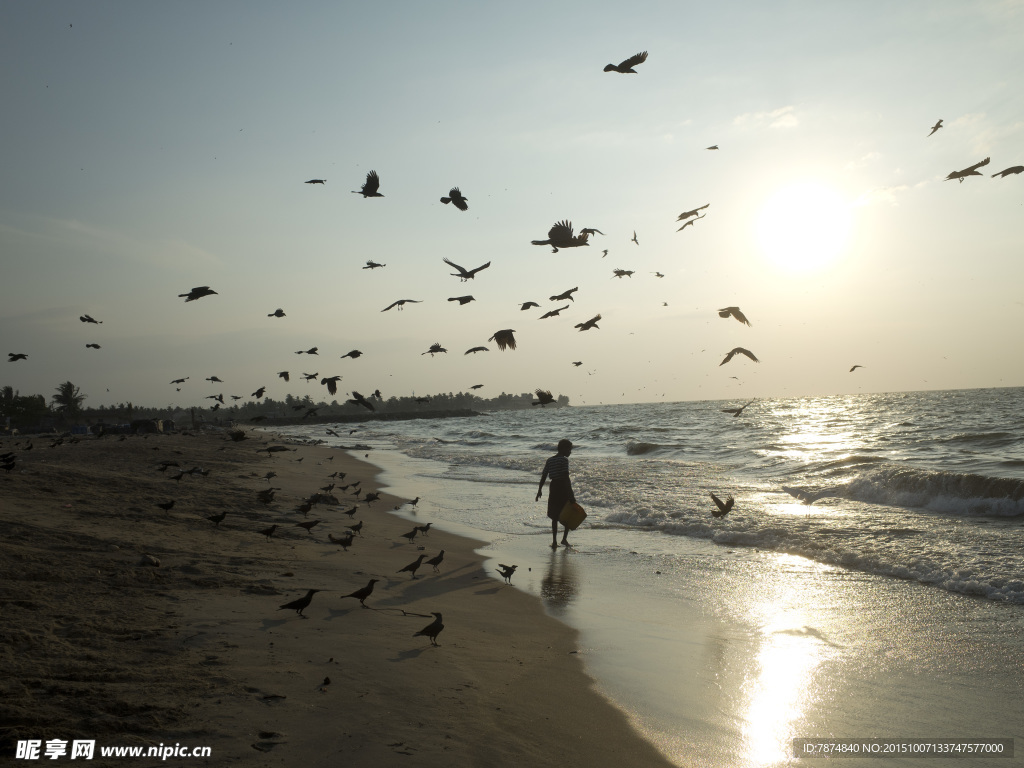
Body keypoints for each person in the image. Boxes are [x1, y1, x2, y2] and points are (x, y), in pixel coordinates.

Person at [536, 439, 576, 548]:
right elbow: (566, 477)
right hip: (562, 488)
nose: (570, 452)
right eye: (569, 449)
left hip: (553, 488)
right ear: (563, 449)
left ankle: (554, 541)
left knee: (554, 516)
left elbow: (544, 475)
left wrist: (539, 490)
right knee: (567, 513)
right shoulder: (564, 460)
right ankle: (564, 539)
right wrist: (571, 494)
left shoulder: (550, 460)